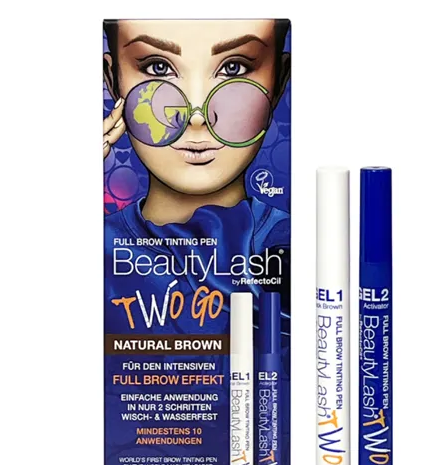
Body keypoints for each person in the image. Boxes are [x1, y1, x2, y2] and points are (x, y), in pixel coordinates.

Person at [103, 19, 291, 334]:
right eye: (158, 68)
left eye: (233, 68)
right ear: (113, 80)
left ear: (279, 80)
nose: (197, 116)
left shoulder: (295, 245)